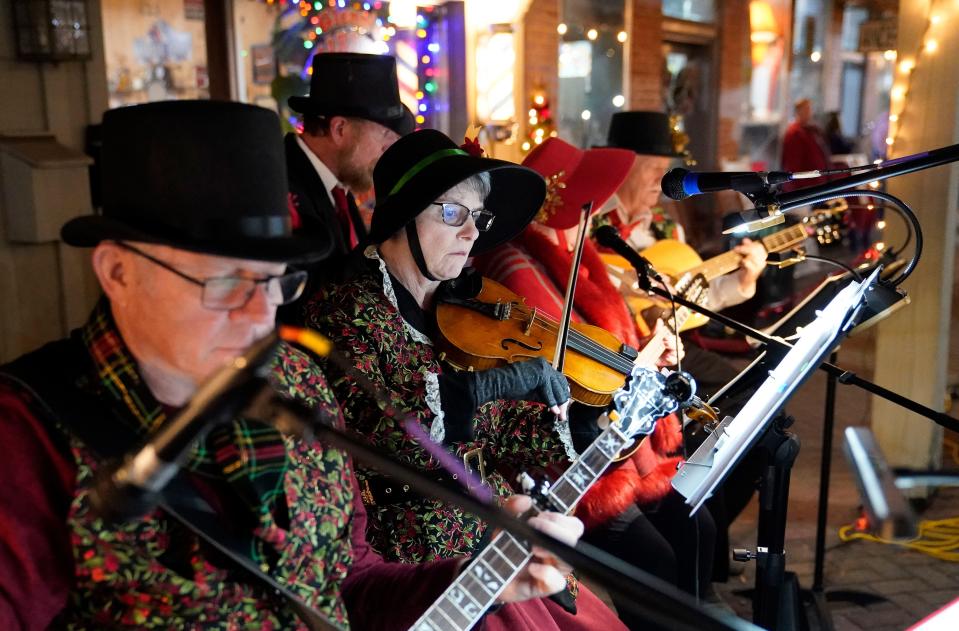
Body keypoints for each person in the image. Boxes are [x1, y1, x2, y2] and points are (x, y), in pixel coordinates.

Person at [0, 101, 586, 630]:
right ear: (118, 272)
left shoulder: (297, 384)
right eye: (227, 281)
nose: (263, 315)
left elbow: (350, 585)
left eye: (276, 281)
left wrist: (477, 578)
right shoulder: (27, 438)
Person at [303, 129, 628, 629]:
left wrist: (590, 418)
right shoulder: (346, 309)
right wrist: (488, 386)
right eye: (453, 213)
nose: (472, 233)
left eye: (479, 218)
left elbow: (507, 435)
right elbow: (390, 433)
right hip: (421, 546)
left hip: (493, 522)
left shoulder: (459, 308)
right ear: (404, 215)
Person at [473, 137, 715, 629]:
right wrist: (638, 364)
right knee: (658, 558)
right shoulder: (516, 262)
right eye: (585, 195)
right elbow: (567, 361)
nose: (598, 206)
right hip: (567, 452)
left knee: (697, 526)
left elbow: (599, 341)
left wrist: (645, 355)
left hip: (607, 433)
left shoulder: (573, 253)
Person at [595, 111, 767, 583]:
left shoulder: (667, 234)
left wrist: (742, 282)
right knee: (722, 417)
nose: (662, 184)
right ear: (623, 169)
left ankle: (708, 557)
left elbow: (689, 302)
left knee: (758, 414)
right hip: (624, 361)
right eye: (654, 173)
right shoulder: (591, 229)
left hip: (672, 347)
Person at [286, 53, 414, 273]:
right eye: (384, 135)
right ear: (339, 129)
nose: (386, 150)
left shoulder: (339, 188)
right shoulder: (283, 187)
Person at [781, 98, 832, 190]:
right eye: (807, 109)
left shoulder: (811, 130)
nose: (810, 112)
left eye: (810, 109)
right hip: (805, 188)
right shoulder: (794, 133)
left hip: (818, 184)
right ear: (799, 111)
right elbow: (793, 165)